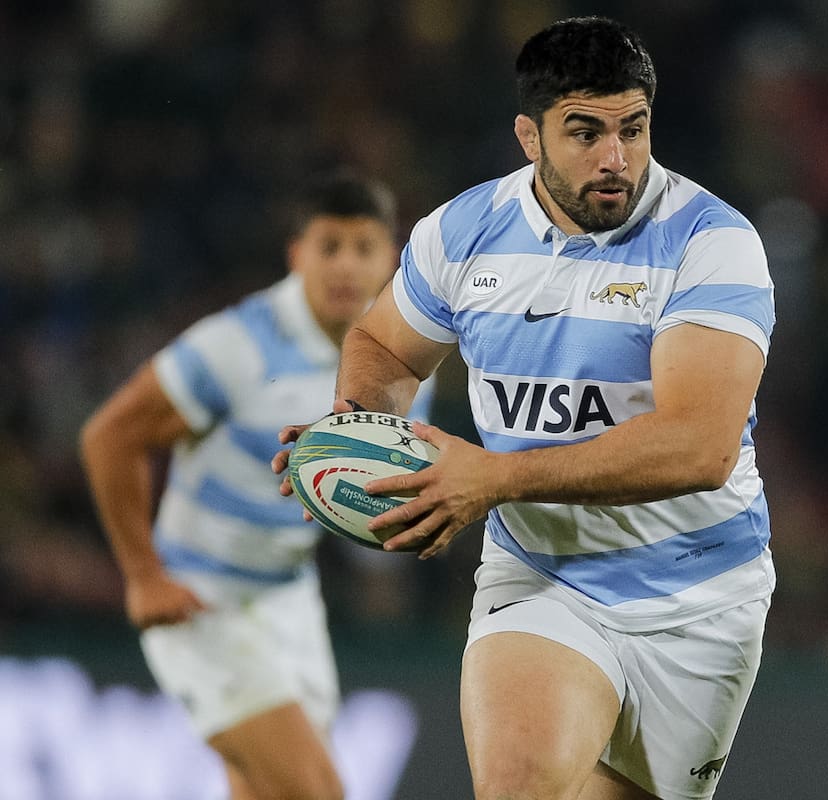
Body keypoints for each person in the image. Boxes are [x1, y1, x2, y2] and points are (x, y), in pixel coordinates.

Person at [275, 16, 776, 800]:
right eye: (585, 133)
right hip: (545, 577)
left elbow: (698, 447)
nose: (616, 159)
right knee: (518, 785)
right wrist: (362, 431)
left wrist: (494, 478)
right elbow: (385, 347)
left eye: (633, 130)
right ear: (528, 136)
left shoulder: (711, 243)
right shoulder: (464, 232)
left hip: (700, 598)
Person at [79, 168, 412, 800]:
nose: (345, 266)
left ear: (389, 260)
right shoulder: (239, 345)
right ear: (296, 255)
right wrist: (143, 576)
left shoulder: (394, 361)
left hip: (289, 600)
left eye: (363, 248)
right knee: (317, 792)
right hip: (201, 600)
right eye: (329, 246)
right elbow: (110, 437)